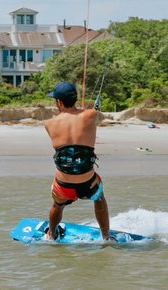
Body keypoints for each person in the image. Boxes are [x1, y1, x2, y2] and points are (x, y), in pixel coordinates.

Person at [44, 82, 113, 242]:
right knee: (99, 198)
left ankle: (51, 235)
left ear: (59, 102)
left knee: (57, 205)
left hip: (64, 185)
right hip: (88, 183)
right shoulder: (91, 116)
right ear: (75, 98)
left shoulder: (49, 124)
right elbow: (95, 114)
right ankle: (106, 237)